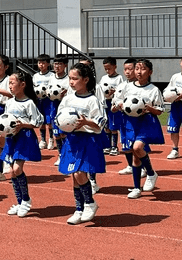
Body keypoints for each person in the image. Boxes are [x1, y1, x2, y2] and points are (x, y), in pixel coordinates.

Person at [57, 62, 106, 224]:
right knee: (74, 176)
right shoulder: (67, 98)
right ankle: (79, 209)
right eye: (70, 78)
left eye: (75, 78)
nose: (71, 82)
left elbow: (101, 122)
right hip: (72, 140)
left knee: (79, 173)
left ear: (85, 80)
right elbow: (60, 117)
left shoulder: (92, 100)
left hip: (88, 140)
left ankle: (90, 203)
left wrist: (86, 122)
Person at [117, 58, 164, 199]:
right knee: (135, 157)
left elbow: (160, 110)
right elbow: (118, 101)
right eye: (136, 68)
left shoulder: (154, 90)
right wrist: (119, 105)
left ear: (150, 72)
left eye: (142, 69)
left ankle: (150, 173)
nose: (139, 72)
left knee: (138, 148)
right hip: (130, 123)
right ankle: (137, 188)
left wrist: (149, 108)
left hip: (145, 122)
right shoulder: (127, 87)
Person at [0, 70, 43, 217]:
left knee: (17, 169)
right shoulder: (10, 102)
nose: (10, 86)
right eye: (9, 83)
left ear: (22, 84)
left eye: (12, 83)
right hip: (12, 138)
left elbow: (37, 121)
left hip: (24, 137)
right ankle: (19, 202)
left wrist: (22, 125)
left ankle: (26, 200)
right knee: (12, 172)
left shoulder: (29, 103)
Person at [164, 54, 182, 160]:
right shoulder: (175, 76)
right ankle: (174, 149)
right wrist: (169, 96)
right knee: (173, 128)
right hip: (175, 106)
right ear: (180, 63)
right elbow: (169, 89)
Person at [98, 57, 123, 155]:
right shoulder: (104, 78)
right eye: (105, 69)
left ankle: (114, 147)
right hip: (105, 103)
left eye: (109, 68)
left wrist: (114, 91)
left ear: (115, 67)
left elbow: (121, 89)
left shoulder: (119, 78)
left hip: (113, 103)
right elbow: (100, 89)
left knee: (113, 126)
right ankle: (107, 146)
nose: (107, 71)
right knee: (106, 125)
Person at [32, 54, 54, 149]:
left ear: (48, 64)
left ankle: (51, 139)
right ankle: (43, 140)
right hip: (39, 101)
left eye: (43, 63)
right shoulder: (36, 76)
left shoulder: (52, 75)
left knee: (49, 122)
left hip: (49, 101)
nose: (41, 65)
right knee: (41, 121)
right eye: (39, 63)